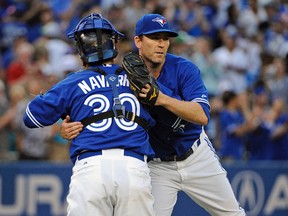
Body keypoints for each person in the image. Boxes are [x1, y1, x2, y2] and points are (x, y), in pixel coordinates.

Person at [61, 14, 246, 215]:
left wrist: (161, 98)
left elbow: (202, 116)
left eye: (165, 38)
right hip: (158, 167)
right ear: (138, 41)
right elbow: (101, 111)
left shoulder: (184, 69)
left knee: (232, 213)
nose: (161, 44)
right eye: (154, 37)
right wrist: (69, 126)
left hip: (196, 154)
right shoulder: (122, 77)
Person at [23, 13, 156, 216]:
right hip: (134, 167)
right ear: (114, 43)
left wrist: (64, 118)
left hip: (91, 168)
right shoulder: (138, 79)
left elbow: (31, 117)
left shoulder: (73, 82)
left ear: (80, 48)